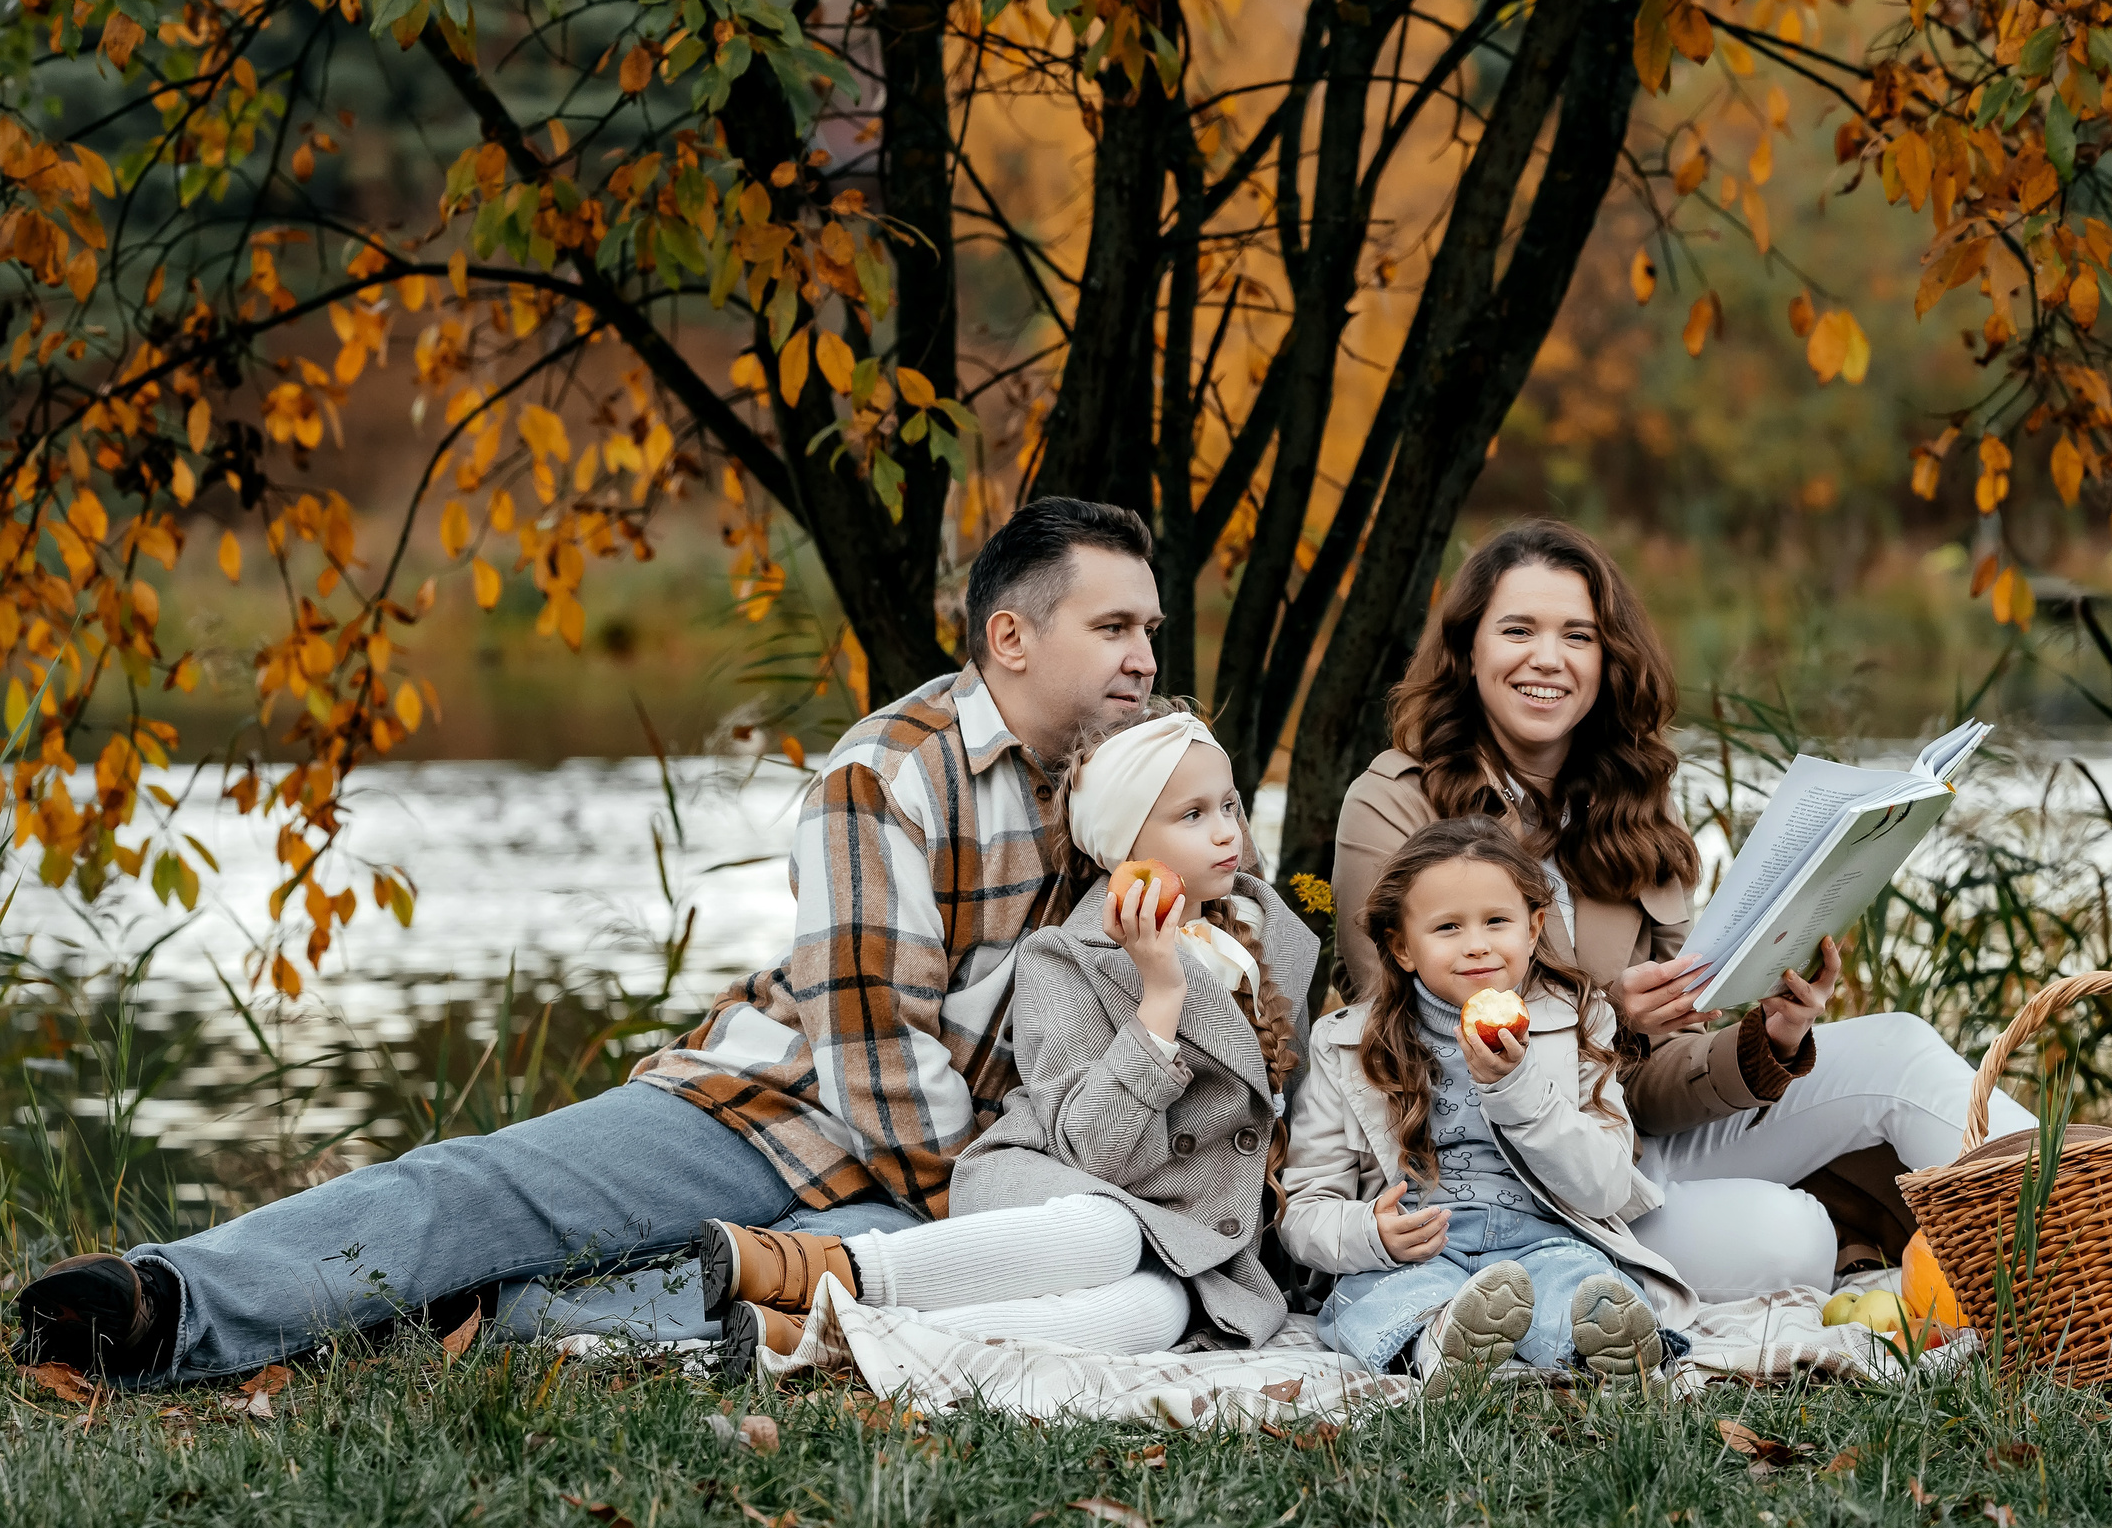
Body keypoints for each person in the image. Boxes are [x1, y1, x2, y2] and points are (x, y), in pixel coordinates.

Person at [14, 498, 1167, 1384]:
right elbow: (875, 1063)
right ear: (1009, 637)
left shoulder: (1154, 778)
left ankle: (481, 1323)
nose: (1144, 659)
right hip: (779, 1103)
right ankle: (164, 1305)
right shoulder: (890, 773)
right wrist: (997, 1220)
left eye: (1150, 631)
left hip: (935, 1181)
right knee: (484, 1190)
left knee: (847, 1288)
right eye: (1112, 627)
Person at [1331, 520, 2036, 1303]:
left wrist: (1765, 1041)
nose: (1548, 659)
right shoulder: (1393, 802)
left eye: (1579, 635)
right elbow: (1392, 1033)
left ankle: (2080, 1244)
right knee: (1795, 1236)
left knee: (1899, 1048)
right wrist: (1606, 1016)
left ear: (1607, 660)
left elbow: (1661, 1083)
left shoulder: (1630, 802)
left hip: (1631, 1136)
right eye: (1518, 630)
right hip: (1504, 1176)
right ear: (1468, 652)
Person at [698, 703, 1317, 1379]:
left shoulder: (1269, 934)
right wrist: (1162, 997)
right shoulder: (1068, 957)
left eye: (1229, 806)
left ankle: (834, 1345)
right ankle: (821, 1268)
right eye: (1192, 816)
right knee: (1111, 1233)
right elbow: (1090, 1150)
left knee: (1157, 1315)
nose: (1228, 832)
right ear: (1124, 845)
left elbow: (1288, 1115)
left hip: (1183, 1239)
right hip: (1053, 1182)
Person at [1282, 818, 1684, 1390]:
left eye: (1497, 921)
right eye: (1447, 927)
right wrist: (1370, 1232)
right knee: (1379, 1298)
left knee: (1581, 1283)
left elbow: (1606, 1187)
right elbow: (1305, 1207)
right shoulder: (1347, 1044)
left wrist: (1516, 1086)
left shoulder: (1577, 1022)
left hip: (1545, 1237)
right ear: (1402, 947)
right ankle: (1443, 1341)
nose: (1477, 944)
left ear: (1534, 925)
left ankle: (1601, 1342)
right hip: (1416, 1252)